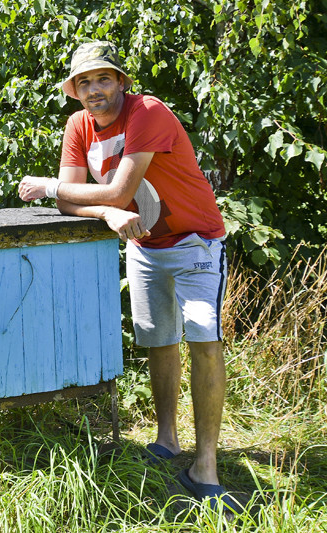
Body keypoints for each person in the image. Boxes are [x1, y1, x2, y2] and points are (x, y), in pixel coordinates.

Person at [18, 41, 237, 512]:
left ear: (121, 82)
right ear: (75, 91)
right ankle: (167, 440)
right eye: (84, 82)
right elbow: (69, 204)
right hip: (144, 245)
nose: (94, 89)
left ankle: (207, 465)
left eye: (103, 79)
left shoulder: (147, 112)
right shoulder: (78, 125)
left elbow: (110, 191)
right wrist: (111, 216)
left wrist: (70, 192)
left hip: (195, 241)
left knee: (204, 339)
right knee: (159, 339)